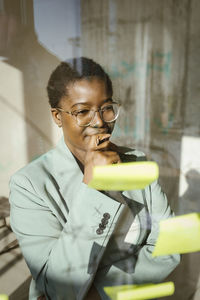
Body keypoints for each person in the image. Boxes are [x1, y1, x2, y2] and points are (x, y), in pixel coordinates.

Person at [9, 57, 180, 300]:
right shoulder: (30, 185)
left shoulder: (137, 161)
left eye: (106, 107)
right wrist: (94, 189)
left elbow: (168, 248)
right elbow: (59, 288)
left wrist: (99, 293)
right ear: (57, 116)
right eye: (82, 111)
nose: (99, 121)